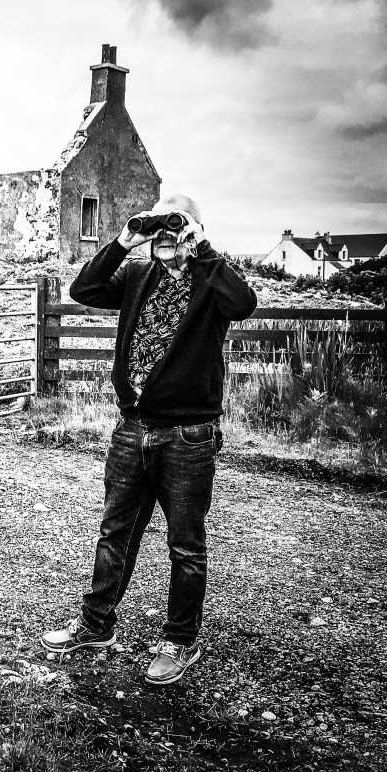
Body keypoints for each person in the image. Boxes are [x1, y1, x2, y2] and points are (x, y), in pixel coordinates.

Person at [40, 194, 257, 685]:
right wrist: (124, 240)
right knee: (115, 533)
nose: (164, 234)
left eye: (174, 224)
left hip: (188, 433)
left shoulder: (210, 279)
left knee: (185, 545)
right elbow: (84, 287)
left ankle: (180, 641)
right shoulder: (139, 275)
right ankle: (96, 625)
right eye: (159, 223)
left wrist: (201, 247)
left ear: (195, 233)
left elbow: (243, 304)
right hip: (132, 426)